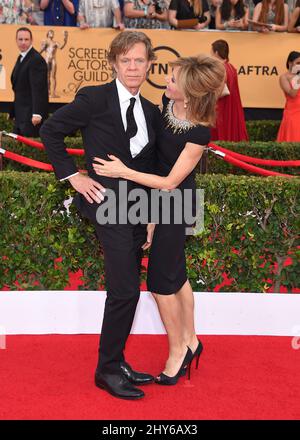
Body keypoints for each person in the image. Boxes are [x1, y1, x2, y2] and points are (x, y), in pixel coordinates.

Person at [40, 31, 161, 400]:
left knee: (128, 292)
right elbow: (51, 130)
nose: (133, 67)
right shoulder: (94, 98)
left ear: (149, 65)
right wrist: (73, 176)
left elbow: (153, 166)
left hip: (140, 208)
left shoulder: (152, 111)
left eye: (140, 60)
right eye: (126, 60)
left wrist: (154, 215)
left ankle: (116, 360)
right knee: (124, 288)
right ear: (113, 63)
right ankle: (106, 369)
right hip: (107, 203)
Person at [93, 54, 226, 385]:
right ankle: (192, 340)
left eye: (174, 79)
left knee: (160, 283)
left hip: (178, 204)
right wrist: (150, 217)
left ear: (191, 91)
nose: (167, 80)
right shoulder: (167, 108)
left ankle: (178, 349)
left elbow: (170, 182)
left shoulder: (199, 132)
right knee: (177, 275)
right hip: (158, 202)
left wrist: (123, 172)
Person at [10, 27, 48, 138]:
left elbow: (39, 89)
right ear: (16, 40)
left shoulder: (36, 59)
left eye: (26, 39)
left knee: (29, 151)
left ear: (31, 40)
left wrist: (37, 113)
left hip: (31, 118)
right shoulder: (21, 57)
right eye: (20, 39)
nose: (23, 42)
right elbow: (18, 88)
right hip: (20, 115)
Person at [210, 39, 248, 142]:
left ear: (216, 52)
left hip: (221, 107)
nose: (211, 55)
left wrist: (208, 101)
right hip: (230, 106)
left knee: (219, 136)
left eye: (211, 52)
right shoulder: (231, 67)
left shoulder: (221, 67)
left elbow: (220, 88)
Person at [277, 51, 300, 142]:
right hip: (292, 112)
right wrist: (298, 79)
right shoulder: (284, 77)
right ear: (290, 63)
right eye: (298, 63)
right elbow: (292, 94)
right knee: (293, 138)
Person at [40, 29, 68, 98]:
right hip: (47, 60)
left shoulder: (55, 43)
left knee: (53, 76)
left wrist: (65, 39)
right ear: (48, 34)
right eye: (50, 32)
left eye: (52, 32)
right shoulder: (45, 42)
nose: (52, 33)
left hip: (53, 60)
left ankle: (53, 93)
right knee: (47, 76)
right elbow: (40, 51)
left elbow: (61, 47)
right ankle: (47, 92)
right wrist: (43, 46)